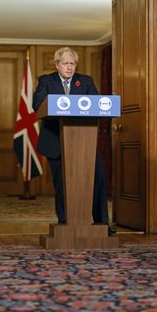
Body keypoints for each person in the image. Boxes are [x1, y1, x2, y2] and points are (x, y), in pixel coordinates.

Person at [32, 47, 115, 235]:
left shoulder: (85, 81)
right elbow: (37, 105)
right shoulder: (46, 81)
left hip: (84, 142)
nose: (69, 67)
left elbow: (97, 106)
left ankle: (102, 223)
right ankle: (65, 223)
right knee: (63, 185)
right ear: (57, 64)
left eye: (72, 63)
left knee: (98, 178)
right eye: (65, 63)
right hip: (56, 142)